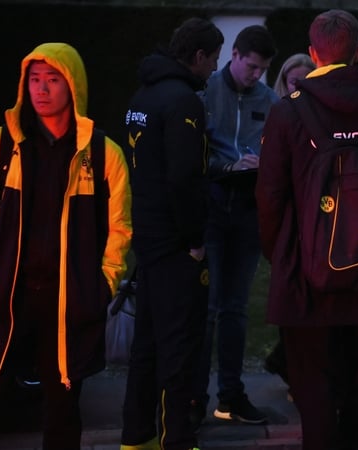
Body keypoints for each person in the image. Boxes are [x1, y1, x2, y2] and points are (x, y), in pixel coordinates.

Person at [255, 9, 358, 449]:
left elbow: (270, 199)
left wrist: (288, 257)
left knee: (313, 390)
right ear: (357, 53)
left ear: (313, 54)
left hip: (307, 282)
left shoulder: (287, 114)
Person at [0, 42, 132, 450]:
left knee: (63, 411)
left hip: (68, 303)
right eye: (34, 80)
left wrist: (102, 284)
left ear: (73, 87)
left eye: (53, 80)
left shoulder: (104, 154)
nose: (42, 90)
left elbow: (120, 230)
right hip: (2, 295)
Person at [120, 17, 223, 450]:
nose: (214, 70)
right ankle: (176, 439)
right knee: (179, 345)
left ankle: (136, 437)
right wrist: (195, 240)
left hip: (146, 234)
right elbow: (184, 177)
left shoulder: (144, 93)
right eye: (214, 59)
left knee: (147, 342)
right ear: (198, 56)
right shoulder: (184, 101)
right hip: (174, 241)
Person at [193, 24, 278, 425]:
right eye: (252, 67)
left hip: (246, 208)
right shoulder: (207, 92)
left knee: (236, 308)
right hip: (212, 205)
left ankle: (230, 395)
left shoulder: (269, 100)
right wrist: (227, 166)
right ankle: (194, 395)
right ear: (236, 56)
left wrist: (262, 166)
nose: (256, 76)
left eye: (262, 70)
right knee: (207, 308)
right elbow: (192, 153)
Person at [262, 51, 316, 386]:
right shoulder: (278, 114)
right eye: (292, 81)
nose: (297, 86)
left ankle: (291, 366)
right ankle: (289, 366)